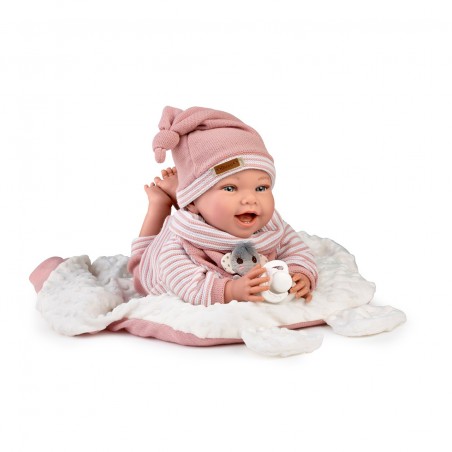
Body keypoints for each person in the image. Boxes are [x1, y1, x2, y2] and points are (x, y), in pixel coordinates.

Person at [128, 106, 318, 306]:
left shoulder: (272, 227)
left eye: (261, 188)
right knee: (139, 264)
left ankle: (186, 192)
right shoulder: (180, 242)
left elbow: (297, 251)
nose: (250, 199)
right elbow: (187, 285)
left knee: (208, 204)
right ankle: (161, 202)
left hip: (198, 202)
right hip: (153, 266)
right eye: (230, 188)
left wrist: (300, 273)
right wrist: (230, 291)